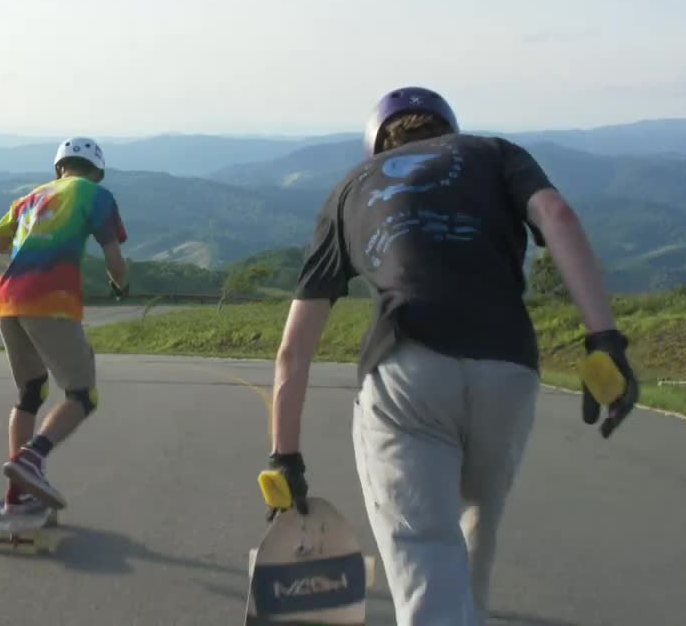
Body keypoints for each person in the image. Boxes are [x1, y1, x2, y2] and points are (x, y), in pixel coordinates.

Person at [264, 87, 640, 624]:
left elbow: (292, 353)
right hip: (508, 366)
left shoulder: (351, 188)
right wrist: (605, 340)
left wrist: (286, 457)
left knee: (425, 557)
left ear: (378, 144)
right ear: (448, 130)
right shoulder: (493, 153)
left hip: (405, 370)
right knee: (476, 532)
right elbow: (557, 215)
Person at [0, 136, 130, 516]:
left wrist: (1, 294)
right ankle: (33, 458)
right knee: (82, 395)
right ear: (95, 172)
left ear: (59, 167)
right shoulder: (96, 195)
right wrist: (121, 286)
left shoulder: (28, 199)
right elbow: (114, 258)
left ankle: (17, 494)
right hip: (50, 301)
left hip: (6, 301)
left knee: (30, 392)